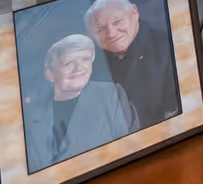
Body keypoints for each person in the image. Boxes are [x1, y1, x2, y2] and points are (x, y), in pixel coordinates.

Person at [24, 35, 134, 171]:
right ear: (50, 73)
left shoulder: (111, 95)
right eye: (68, 63)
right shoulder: (29, 115)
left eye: (85, 59)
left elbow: (133, 152)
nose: (79, 68)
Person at [85, 0, 180, 131]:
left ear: (134, 13)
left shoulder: (174, 46)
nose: (111, 33)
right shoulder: (87, 66)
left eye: (117, 22)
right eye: (100, 29)